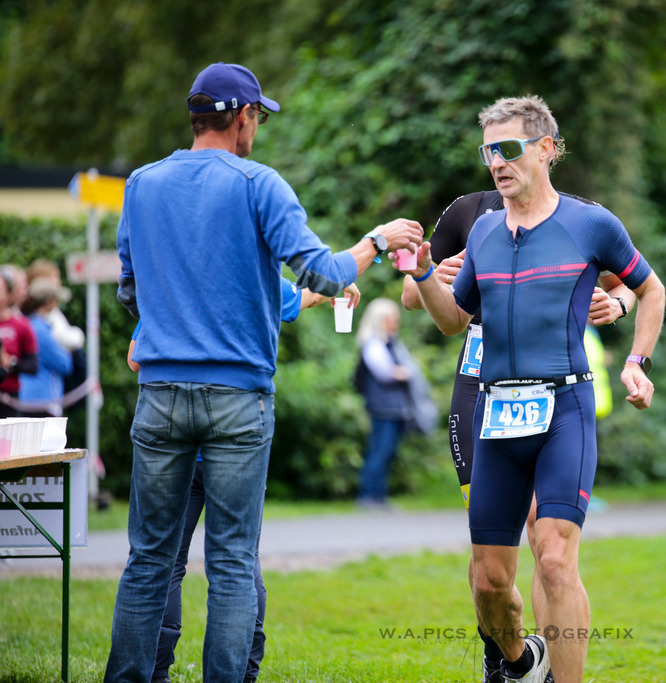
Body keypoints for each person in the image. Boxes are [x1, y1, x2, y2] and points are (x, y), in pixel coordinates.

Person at [107, 61, 422, 682]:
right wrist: (377, 243)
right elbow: (326, 273)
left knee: (147, 560)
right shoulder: (258, 182)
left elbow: (130, 291)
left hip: (161, 396)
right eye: (259, 116)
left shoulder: (141, 184)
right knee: (230, 562)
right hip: (238, 399)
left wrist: (174, 325)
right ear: (243, 116)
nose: (259, 128)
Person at [406, 95, 665, 683]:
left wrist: (637, 361)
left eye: (509, 149)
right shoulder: (486, 232)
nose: (497, 162)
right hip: (495, 415)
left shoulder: (589, 223)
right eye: (488, 151)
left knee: (553, 558)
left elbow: (650, 291)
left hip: (565, 410)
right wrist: (423, 274)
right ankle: (524, 664)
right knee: (489, 582)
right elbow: (453, 321)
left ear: (545, 149)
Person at [127, 277, 344, 683]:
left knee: (162, 563)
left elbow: (136, 356)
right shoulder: (254, 275)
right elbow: (297, 297)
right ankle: (243, 672)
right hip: (236, 440)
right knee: (238, 563)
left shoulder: (176, 281)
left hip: (175, 442)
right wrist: (338, 285)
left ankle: (154, 673)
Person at [352, 298, 428, 507]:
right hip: (382, 407)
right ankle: (368, 496)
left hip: (394, 408)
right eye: (392, 318)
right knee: (380, 451)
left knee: (387, 453)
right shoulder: (374, 344)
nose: (396, 322)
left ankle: (378, 496)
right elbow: (387, 373)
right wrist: (404, 373)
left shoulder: (391, 343)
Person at [18, 278, 74, 418]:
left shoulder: (28, 323)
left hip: (27, 398)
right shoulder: (40, 330)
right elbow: (64, 364)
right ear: (49, 302)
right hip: (41, 400)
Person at [0, 269, 38, 419]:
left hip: (10, 397)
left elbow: (32, 365)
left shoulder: (21, 325)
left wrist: (10, 363)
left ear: (9, 294)